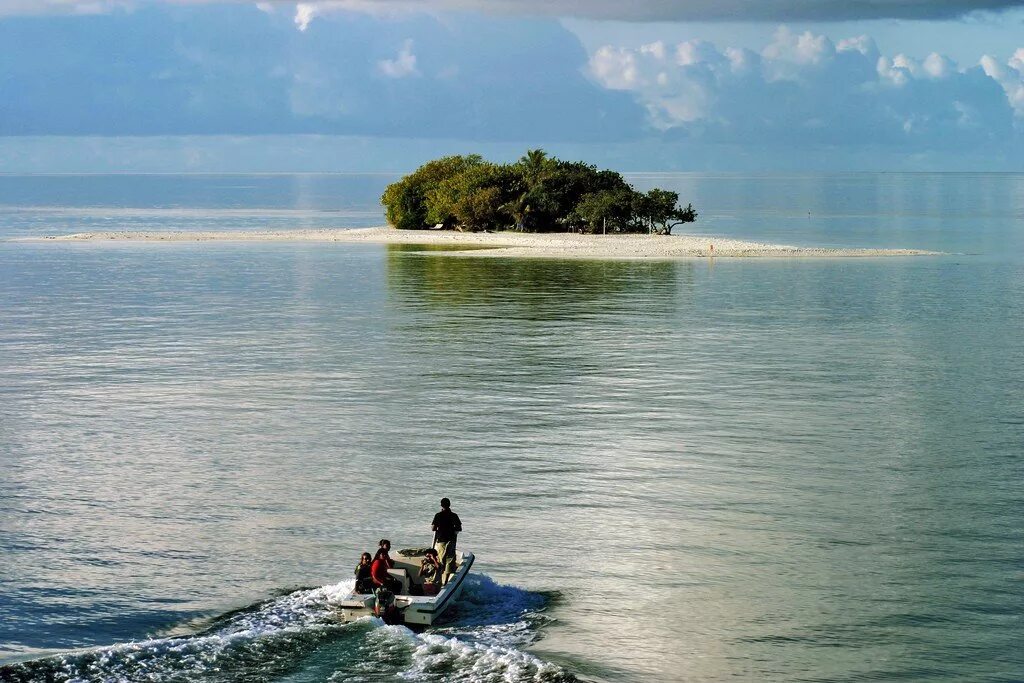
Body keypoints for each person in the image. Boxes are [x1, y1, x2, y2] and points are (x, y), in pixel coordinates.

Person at [431, 497, 462, 586]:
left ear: (441, 505)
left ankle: (439, 580)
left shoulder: (438, 515)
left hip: (441, 541)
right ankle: (446, 581)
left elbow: (433, 528)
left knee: (440, 560)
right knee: (449, 560)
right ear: (449, 505)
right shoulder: (454, 515)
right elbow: (459, 528)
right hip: (451, 540)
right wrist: (453, 530)